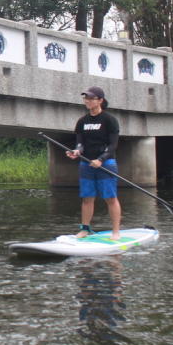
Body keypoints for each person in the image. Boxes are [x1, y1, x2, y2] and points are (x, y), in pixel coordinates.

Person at [66, 86, 121, 240]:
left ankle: (115, 232)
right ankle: (85, 229)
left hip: (106, 163)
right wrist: (76, 152)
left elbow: (113, 146)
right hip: (86, 164)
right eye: (86, 98)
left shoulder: (110, 120)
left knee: (110, 198)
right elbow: (80, 144)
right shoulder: (82, 121)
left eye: (91, 98)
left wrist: (100, 159)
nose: (88, 101)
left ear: (100, 101)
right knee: (87, 198)